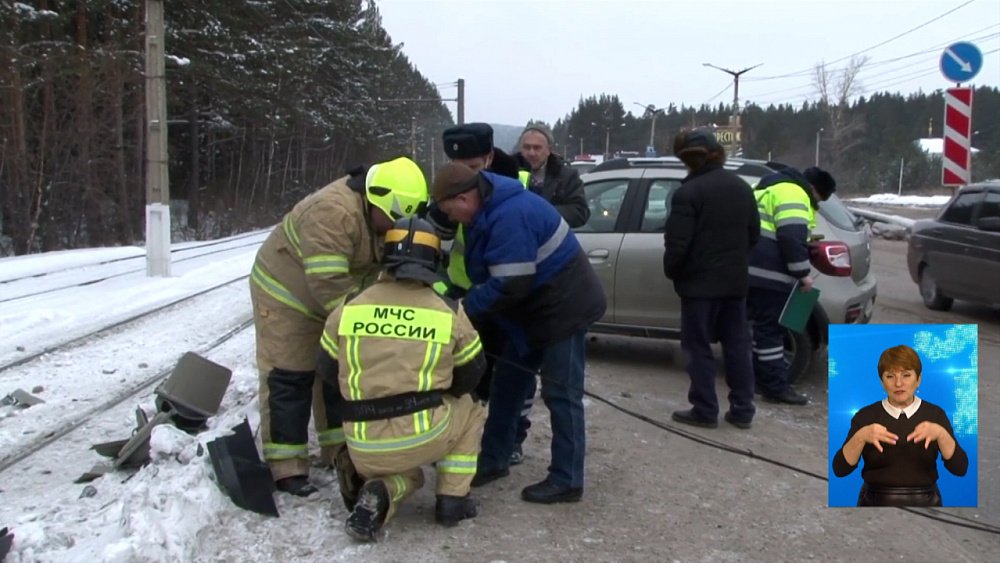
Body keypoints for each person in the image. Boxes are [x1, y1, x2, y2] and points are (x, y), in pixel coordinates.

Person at [249, 156, 428, 497]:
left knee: (338, 373)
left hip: (332, 294)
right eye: (390, 218)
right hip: (285, 295)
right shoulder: (332, 213)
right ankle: (286, 468)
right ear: (374, 199)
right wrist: (370, 330)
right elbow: (328, 284)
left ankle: (336, 451)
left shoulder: (379, 215)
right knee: (291, 375)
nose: (392, 227)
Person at [430, 161, 606, 504]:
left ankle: (567, 478)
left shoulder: (510, 214)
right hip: (532, 310)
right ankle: (494, 460)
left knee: (561, 393)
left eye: (454, 212)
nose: (456, 220)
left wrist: (464, 310)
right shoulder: (491, 206)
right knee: (508, 384)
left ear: (465, 197)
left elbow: (511, 282)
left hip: (564, 308)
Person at [315, 217, 488, 541]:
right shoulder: (447, 310)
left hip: (361, 441)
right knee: (473, 407)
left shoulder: (349, 307)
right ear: (434, 261)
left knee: (403, 471)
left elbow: (325, 370)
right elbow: (471, 375)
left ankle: (381, 491)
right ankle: (452, 499)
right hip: (423, 433)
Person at [663, 129, 759, 429]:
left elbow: (677, 245)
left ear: (684, 158)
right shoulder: (742, 188)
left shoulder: (688, 193)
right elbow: (753, 235)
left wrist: (674, 271)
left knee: (698, 348)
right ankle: (743, 409)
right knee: (737, 346)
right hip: (734, 283)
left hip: (698, 287)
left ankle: (705, 409)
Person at [832, 345, 968, 506]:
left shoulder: (935, 415)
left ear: (918, 379)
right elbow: (840, 470)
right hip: (874, 500)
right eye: (890, 376)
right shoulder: (865, 416)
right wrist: (861, 436)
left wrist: (941, 434)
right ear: (882, 382)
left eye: (906, 375)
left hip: (926, 501)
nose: (898, 383)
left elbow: (960, 469)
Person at [747, 164, 836, 405]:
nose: (816, 204)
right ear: (814, 190)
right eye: (818, 200)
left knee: (757, 330)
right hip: (769, 273)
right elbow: (789, 235)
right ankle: (775, 388)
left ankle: (757, 382)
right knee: (770, 332)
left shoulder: (765, 188)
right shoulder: (794, 193)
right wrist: (803, 274)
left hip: (749, 269)